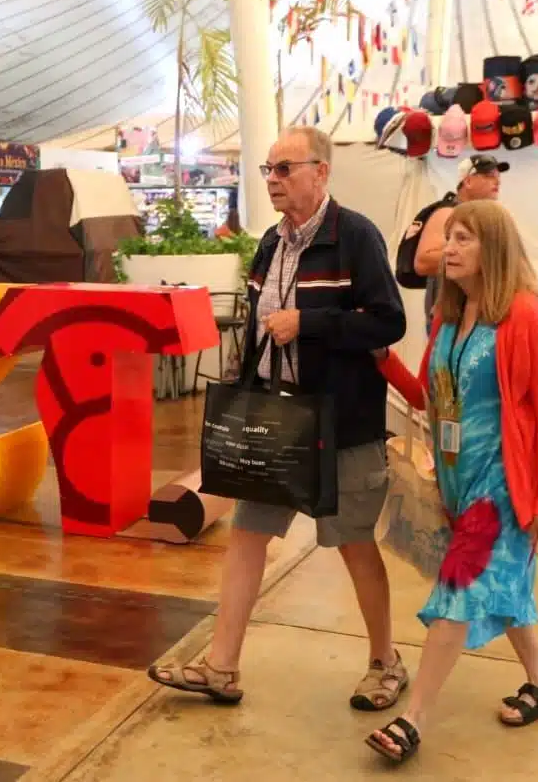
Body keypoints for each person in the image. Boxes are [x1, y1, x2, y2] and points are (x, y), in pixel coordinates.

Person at [147, 126, 409, 710]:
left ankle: (385, 662)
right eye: (268, 169)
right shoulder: (271, 241)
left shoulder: (355, 237)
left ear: (321, 172)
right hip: (277, 418)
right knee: (246, 537)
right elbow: (258, 322)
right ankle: (221, 667)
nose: (272, 180)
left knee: (354, 544)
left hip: (343, 424)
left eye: (285, 169)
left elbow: (388, 322)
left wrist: (309, 323)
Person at [366, 199, 538, 764]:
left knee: (459, 588)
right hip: (458, 484)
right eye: (447, 237)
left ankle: (413, 720)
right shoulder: (449, 318)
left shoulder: (525, 315)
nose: (447, 248)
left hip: (503, 489)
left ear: (493, 249)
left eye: (462, 238)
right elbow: (433, 400)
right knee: (502, 590)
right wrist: (383, 360)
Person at [395, 155, 509, 333]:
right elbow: (423, 262)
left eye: (498, 177)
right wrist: (482, 256)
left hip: (465, 315)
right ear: (468, 181)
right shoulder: (449, 212)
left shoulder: (473, 217)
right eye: (488, 176)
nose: (497, 182)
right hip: (450, 319)